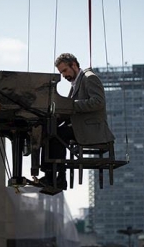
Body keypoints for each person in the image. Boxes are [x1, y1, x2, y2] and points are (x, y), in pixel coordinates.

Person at [40, 53, 115, 189]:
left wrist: (72, 105)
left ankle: (58, 178)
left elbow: (98, 102)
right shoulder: (76, 83)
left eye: (64, 70)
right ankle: (50, 176)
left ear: (74, 65)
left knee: (57, 135)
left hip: (92, 129)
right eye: (61, 72)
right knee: (49, 130)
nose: (63, 75)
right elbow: (70, 108)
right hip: (81, 126)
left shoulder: (90, 78)